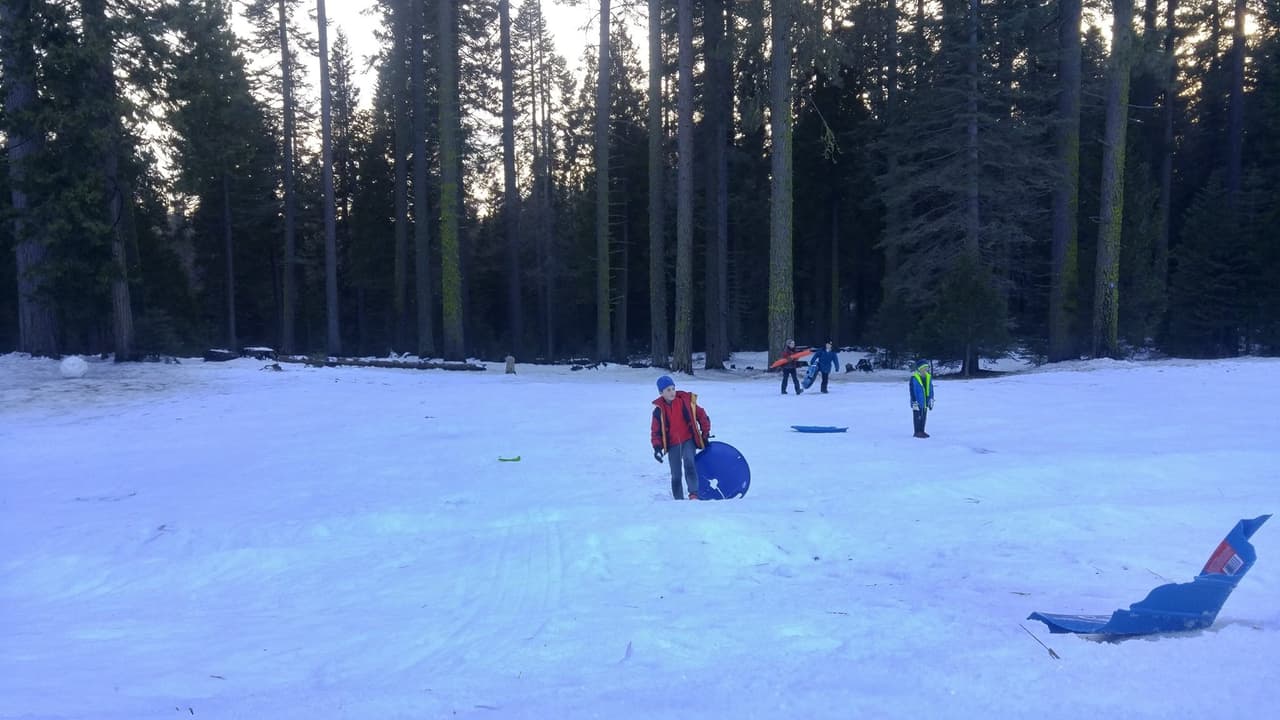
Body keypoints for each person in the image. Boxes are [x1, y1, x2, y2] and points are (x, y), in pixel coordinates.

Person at [651, 375, 711, 500]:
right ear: (661, 393)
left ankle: (694, 493)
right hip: (673, 444)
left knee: (689, 463)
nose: (672, 392)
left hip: (688, 440)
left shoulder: (685, 402)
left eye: (673, 388)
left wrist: (705, 434)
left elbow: (702, 415)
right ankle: (678, 500)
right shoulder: (658, 411)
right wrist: (657, 448)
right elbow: (655, 432)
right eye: (668, 390)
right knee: (676, 474)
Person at [909, 360, 935, 438]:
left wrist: (931, 398)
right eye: (924, 368)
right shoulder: (914, 378)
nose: (925, 369)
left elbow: (931, 389)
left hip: (925, 401)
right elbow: (912, 391)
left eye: (926, 368)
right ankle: (917, 432)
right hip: (917, 402)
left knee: (923, 416)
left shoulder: (928, 377)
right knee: (917, 416)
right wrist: (914, 401)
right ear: (919, 369)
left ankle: (922, 431)